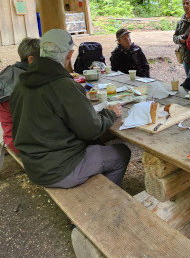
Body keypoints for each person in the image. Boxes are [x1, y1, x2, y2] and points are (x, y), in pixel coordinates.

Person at [10, 29, 131, 188]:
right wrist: (110, 113)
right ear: (69, 54)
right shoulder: (62, 84)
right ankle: (103, 203)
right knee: (122, 153)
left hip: (33, 163)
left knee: (97, 143)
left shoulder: (21, 83)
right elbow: (91, 129)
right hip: (58, 169)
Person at [0, 37, 40, 153]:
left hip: (11, 138)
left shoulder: (9, 73)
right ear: (31, 60)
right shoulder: (29, 82)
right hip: (27, 144)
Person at [173, 0, 190, 75]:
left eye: (187, 3)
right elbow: (174, 37)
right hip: (185, 57)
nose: (185, 5)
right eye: (183, 4)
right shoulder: (181, 22)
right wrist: (179, 39)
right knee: (189, 79)